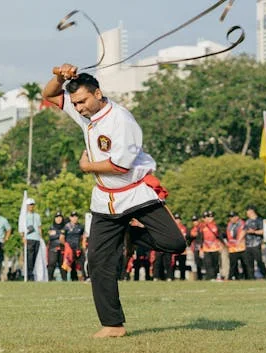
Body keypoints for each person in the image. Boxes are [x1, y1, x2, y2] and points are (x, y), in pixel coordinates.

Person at [43, 65, 186, 336]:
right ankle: (112, 325)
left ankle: (127, 235)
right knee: (98, 259)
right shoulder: (84, 111)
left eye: (83, 101)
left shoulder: (122, 120)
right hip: (105, 199)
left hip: (135, 192)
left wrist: (87, 167)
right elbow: (50, 95)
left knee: (175, 243)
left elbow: (120, 167)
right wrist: (60, 78)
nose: (79, 108)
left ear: (98, 93)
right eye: (75, 103)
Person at [20, 198, 43, 280]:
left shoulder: (37, 216)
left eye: (32, 205)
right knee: (29, 257)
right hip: (28, 239)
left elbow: (39, 227)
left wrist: (41, 237)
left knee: (35, 258)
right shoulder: (24, 216)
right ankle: (29, 275)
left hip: (36, 239)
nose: (31, 206)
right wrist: (23, 237)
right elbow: (21, 228)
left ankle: (33, 274)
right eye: (30, 205)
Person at [243, 205, 266, 280]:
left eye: (248, 211)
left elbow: (263, 231)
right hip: (248, 245)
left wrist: (254, 232)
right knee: (249, 263)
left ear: (252, 211)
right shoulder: (247, 221)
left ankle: (265, 276)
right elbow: (244, 231)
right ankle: (251, 278)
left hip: (256, 244)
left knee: (259, 261)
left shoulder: (259, 220)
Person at [198, 211, 222, 280]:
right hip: (206, 248)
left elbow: (219, 237)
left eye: (210, 217)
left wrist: (221, 245)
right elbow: (200, 239)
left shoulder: (216, 226)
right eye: (206, 217)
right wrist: (201, 249)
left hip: (215, 248)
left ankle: (215, 276)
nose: (208, 218)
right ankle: (210, 277)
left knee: (215, 263)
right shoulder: (202, 227)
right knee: (208, 263)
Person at [63, 211, 87, 281]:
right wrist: (66, 246)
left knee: (82, 263)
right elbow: (62, 238)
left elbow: (83, 237)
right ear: (70, 217)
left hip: (78, 248)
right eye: (73, 216)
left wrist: (83, 246)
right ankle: (70, 279)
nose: (75, 218)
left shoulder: (81, 226)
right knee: (69, 264)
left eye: (76, 216)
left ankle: (85, 277)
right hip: (69, 249)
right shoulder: (66, 226)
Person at [225, 211, 248, 280]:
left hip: (241, 247)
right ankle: (232, 277)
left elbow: (243, 231)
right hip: (232, 248)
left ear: (237, 217)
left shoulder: (241, 223)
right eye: (230, 217)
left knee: (244, 264)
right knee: (233, 265)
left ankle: (247, 277)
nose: (231, 218)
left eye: (233, 217)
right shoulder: (229, 225)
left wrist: (239, 241)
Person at [47, 211, 67, 281]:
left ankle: (65, 280)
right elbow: (51, 236)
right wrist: (60, 234)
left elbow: (65, 236)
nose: (58, 219)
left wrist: (56, 233)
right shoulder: (51, 227)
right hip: (53, 248)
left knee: (63, 264)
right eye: (57, 217)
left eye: (60, 217)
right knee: (52, 263)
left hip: (63, 248)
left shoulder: (65, 226)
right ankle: (50, 279)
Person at [172, 214, 188, 280]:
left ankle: (182, 277)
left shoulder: (184, 228)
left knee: (182, 265)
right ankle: (171, 277)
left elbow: (187, 238)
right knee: (173, 264)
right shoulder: (172, 228)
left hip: (182, 251)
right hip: (174, 250)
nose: (177, 220)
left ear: (180, 220)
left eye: (178, 219)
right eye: (176, 219)